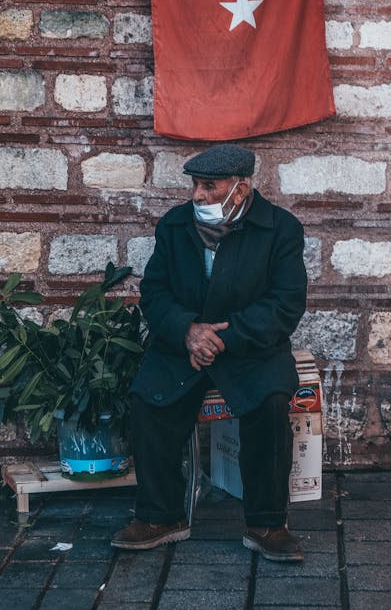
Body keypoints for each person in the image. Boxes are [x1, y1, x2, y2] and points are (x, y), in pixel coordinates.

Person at [111, 143, 307, 561]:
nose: (197, 195)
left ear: (240, 189)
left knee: (271, 403)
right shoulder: (175, 226)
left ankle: (267, 523)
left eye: (208, 186)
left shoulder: (280, 229)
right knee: (149, 398)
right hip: (184, 345)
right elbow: (155, 292)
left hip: (251, 347)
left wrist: (225, 337)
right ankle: (160, 516)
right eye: (195, 185)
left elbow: (285, 303)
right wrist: (187, 331)